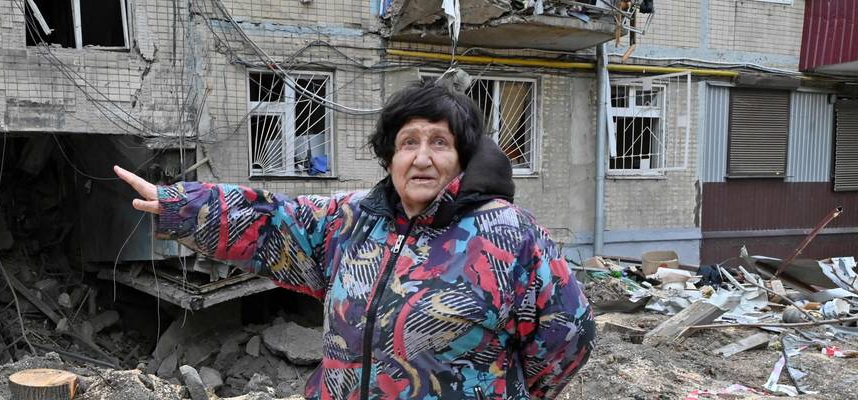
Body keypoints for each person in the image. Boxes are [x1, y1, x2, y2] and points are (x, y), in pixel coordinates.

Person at [115, 79, 595, 399]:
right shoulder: (352, 217)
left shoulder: (510, 234)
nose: (422, 158)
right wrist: (182, 204)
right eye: (409, 142)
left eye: (440, 143)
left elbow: (565, 341)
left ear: (462, 158)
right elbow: (272, 220)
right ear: (389, 156)